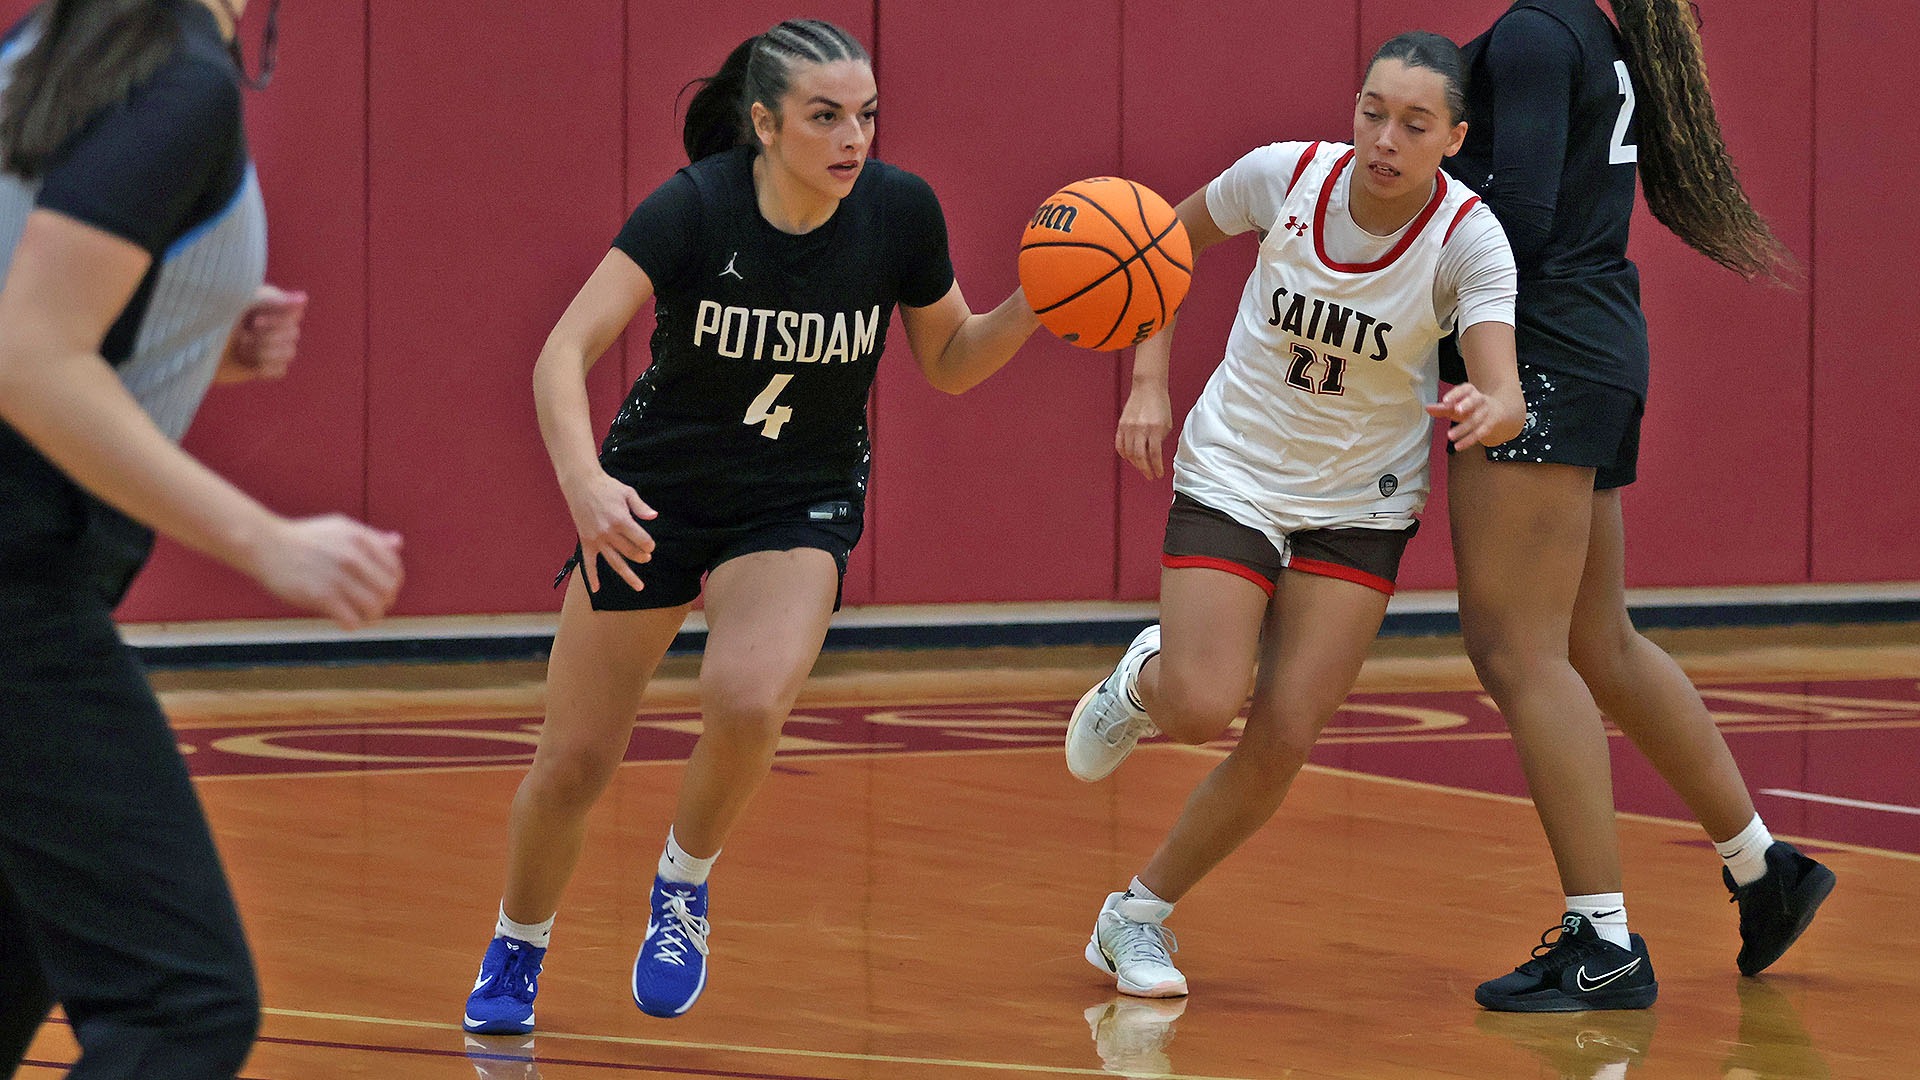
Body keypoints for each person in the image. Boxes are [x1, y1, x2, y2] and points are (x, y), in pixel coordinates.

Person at [460, 18, 1043, 1033]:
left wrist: (1046, 298)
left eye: (866, 115)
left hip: (795, 501)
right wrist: (584, 483)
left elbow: (951, 361)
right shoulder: (696, 208)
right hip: (653, 498)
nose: (852, 137)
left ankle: (683, 886)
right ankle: (519, 943)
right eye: (826, 117)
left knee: (746, 698)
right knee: (574, 765)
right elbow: (562, 352)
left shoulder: (900, 214)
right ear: (765, 124)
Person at [1061, 30, 1525, 999]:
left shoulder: (1470, 239)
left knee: (1281, 737)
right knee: (1199, 703)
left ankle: (1136, 917)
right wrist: (1148, 382)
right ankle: (1142, 682)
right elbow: (1160, 246)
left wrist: (1490, 408)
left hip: (1362, 501)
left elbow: (1505, 388)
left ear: (1454, 136)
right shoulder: (1285, 177)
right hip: (1238, 465)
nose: (1386, 137)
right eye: (1372, 110)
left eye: (1414, 123)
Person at [0, 1, 405, 1075]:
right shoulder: (176, 77)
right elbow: (31, 355)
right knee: (180, 1007)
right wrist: (264, 539)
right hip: (15, 589)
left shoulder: (59, 46)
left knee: (22, 951)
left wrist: (185, 327)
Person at [1441, 0, 1834, 1012]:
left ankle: (1602, 939)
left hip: (1541, 359)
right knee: (1594, 639)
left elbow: (1513, 220)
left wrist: (1390, 203)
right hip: (1598, 344)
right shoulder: (1593, 34)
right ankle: (1762, 867)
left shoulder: (1537, 33)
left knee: (1517, 649)